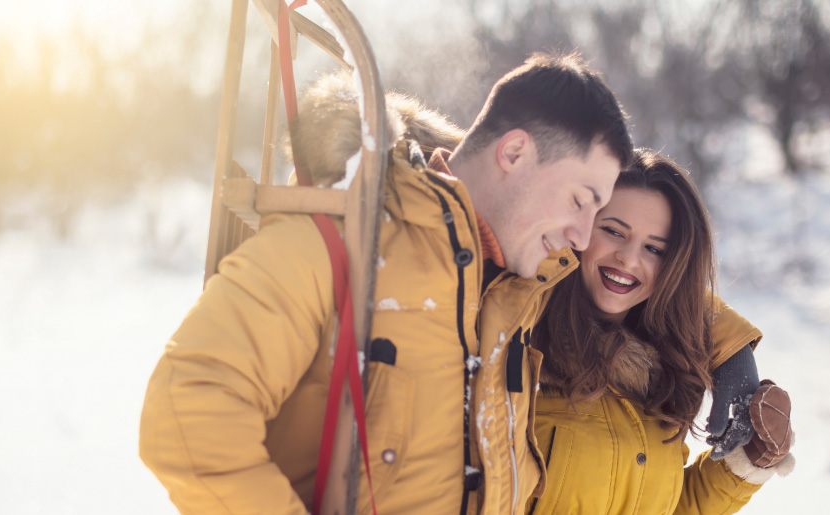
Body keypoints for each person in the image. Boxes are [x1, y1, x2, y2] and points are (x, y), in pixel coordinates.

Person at [139, 53, 760, 515]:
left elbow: (649, 281)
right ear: (513, 154)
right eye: (581, 201)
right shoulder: (338, 247)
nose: (580, 236)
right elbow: (188, 410)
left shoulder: (515, 291)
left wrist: (730, 351)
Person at [525, 150, 795, 515]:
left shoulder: (662, 375)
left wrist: (744, 463)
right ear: (577, 229)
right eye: (613, 231)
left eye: (655, 249)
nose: (630, 259)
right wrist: (730, 344)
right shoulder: (519, 347)